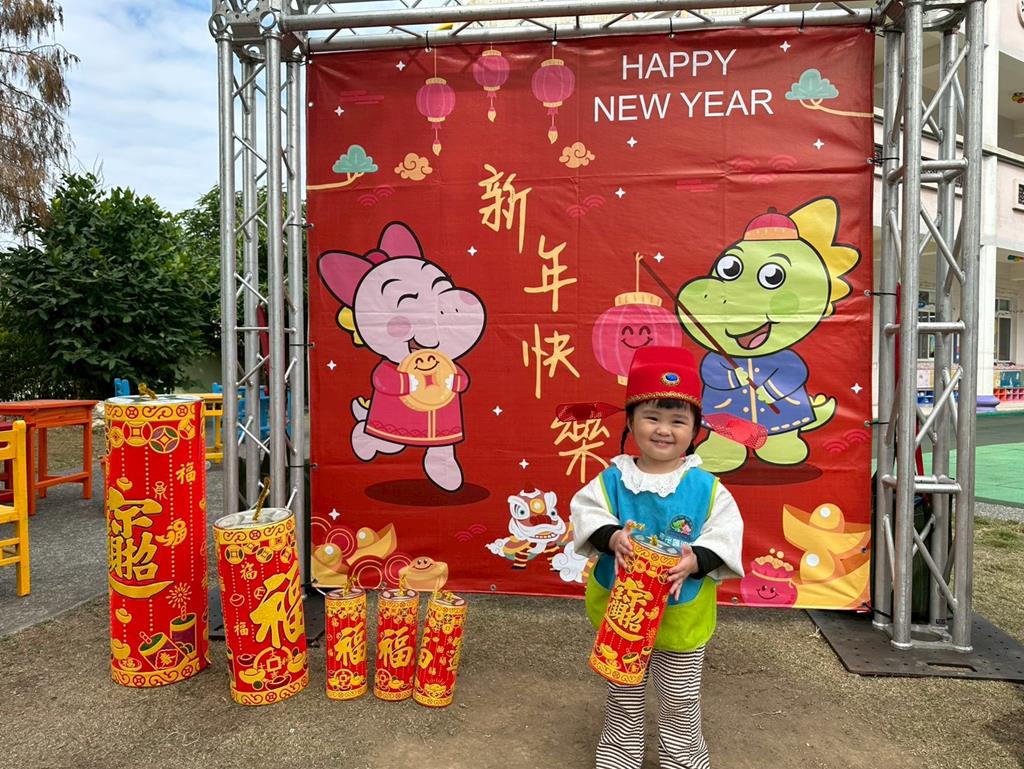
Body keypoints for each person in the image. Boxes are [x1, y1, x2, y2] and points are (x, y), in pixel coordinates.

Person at [570, 345, 745, 769]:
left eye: (678, 421)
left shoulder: (706, 488)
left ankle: (683, 758)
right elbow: (587, 512)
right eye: (651, 417)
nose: (663, 430)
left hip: (680, 612)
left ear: (695, 429)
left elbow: (726, 533)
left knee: (680, 700)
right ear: (630, 422)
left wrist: (697, 559)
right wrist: (612, 536)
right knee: (623, 694)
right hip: (623, 615)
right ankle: (619, 754)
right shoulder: (613, 479)